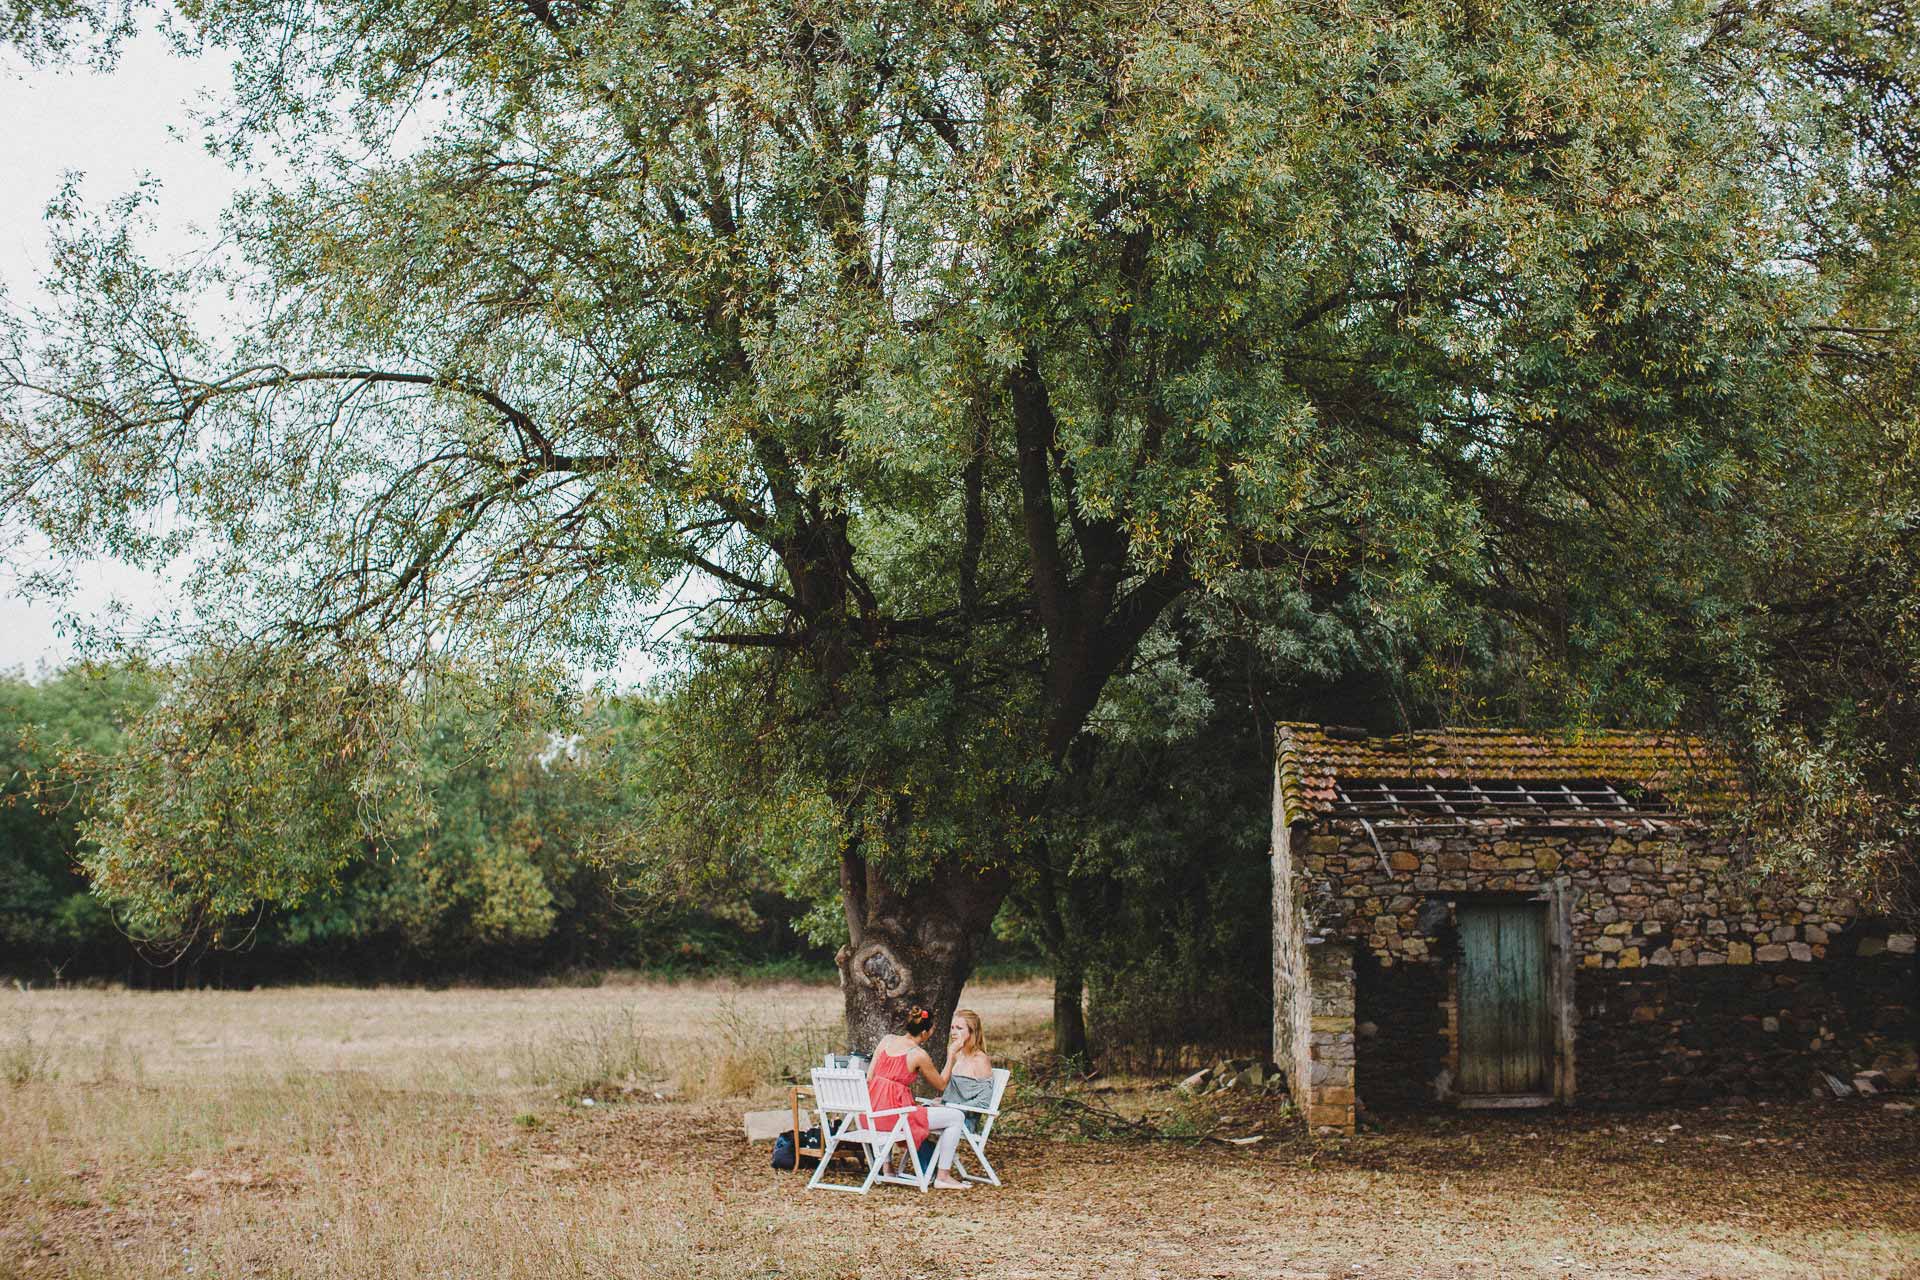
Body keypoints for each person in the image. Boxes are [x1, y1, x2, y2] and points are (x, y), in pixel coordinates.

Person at [866, 1005, 971, 1190]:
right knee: (956, 1117)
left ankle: (887, 1167)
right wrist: (951, 1055)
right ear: (924, 1033)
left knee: (908, 1111)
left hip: (871, 1115)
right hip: (897, 1118)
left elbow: (870, 1076)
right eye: (932, 1030)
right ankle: (943, 1176)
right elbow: (941, 1084)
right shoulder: (918, 1054)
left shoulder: (886, 1040)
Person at [940, 1008, 994, 1136]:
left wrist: (952, 1107)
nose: (953, 1032)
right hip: (947, 1114)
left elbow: (983, 1102)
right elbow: (941, 1084)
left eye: (959, 1028)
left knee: (916, 1122)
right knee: (911, 1120)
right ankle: (944, 1157)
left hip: (965, 1121)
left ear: (972, 1031)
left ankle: (945, 1157)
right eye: (952, 1028)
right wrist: (951, 1056)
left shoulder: (980, 1060)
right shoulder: (957, 1055)